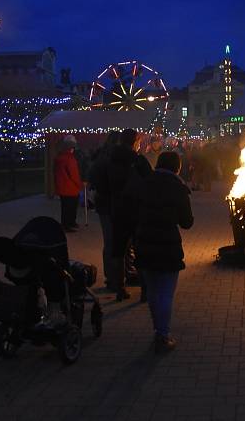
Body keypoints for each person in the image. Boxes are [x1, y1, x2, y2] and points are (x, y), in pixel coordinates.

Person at [134, 151, 194, 354]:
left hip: (144, 242)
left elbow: (130, 211)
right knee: (166, 292)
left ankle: (157, 329)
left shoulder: (143, 182)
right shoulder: (177, 187)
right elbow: (187, 222)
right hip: (167, 244)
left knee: (152, 290)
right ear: (177, 167)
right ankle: (162, 333)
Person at [107, 129, 153, 301]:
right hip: (136, 209)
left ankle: (119, 288)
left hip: (118, 209)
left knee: (119, 251)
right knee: (140, 249)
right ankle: (144, 290)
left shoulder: (110, 160)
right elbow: (150, 181)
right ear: (134, 142)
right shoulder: (138, 160)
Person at [88, 131, 120, 292]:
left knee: (110, 242)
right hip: (112, 204)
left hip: (104, 204)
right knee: (114, 242)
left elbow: (92, 179)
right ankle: (115, 278)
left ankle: (112, 277)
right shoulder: (112, 159)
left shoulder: (100, 157)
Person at [54, 135, 83, 232]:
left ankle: (66, 223)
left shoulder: (59, 157)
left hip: (62, 187)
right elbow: (74, 174)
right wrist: (79, 185)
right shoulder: (70, 159)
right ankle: (69, 224)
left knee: (65, 207)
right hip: (71, 188)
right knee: (71, 207)